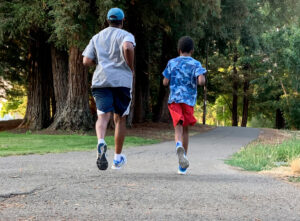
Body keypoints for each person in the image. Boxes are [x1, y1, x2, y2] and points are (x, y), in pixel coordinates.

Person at [82, 8, 135, 171]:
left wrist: (99, 63)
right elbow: (127, 47)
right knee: (120, 119)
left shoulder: (97, 37)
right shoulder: (126, 35)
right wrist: (129, 66)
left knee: (102, 116)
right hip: (121, 82)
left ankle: (101, 142)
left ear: (107, 20)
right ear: (122, 20)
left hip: (101, 80)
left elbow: (86, 60)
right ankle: (118, 158)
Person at [162, 36, 206, 175]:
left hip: (174, 99)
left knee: (178, 128)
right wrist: (201, 77)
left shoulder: (172, 62)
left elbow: (165, 82)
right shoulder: (196, 64)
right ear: (192, 50)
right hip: (188, 101)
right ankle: (183, 164)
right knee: (185, 130)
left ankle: (178, 145)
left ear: (179, 50)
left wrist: (169, 80)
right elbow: (201, 81)